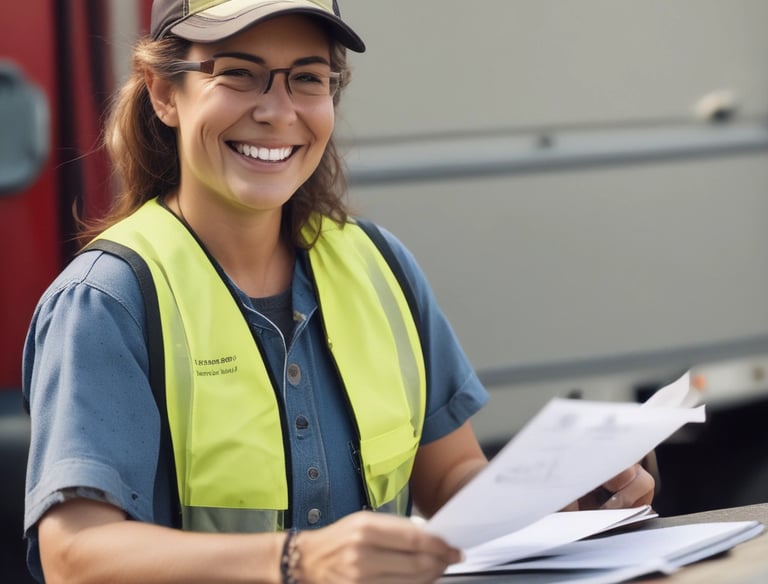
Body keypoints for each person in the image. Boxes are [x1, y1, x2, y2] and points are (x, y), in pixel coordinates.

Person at [22, 1, 656, 582]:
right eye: (238, 73)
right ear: (164, 92)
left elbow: (451, 478)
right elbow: (75, 557)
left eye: (307, 78)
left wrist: (560, 498)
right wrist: (297, 559)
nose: (277, 111)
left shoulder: (378, 265)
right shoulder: (108, 300)